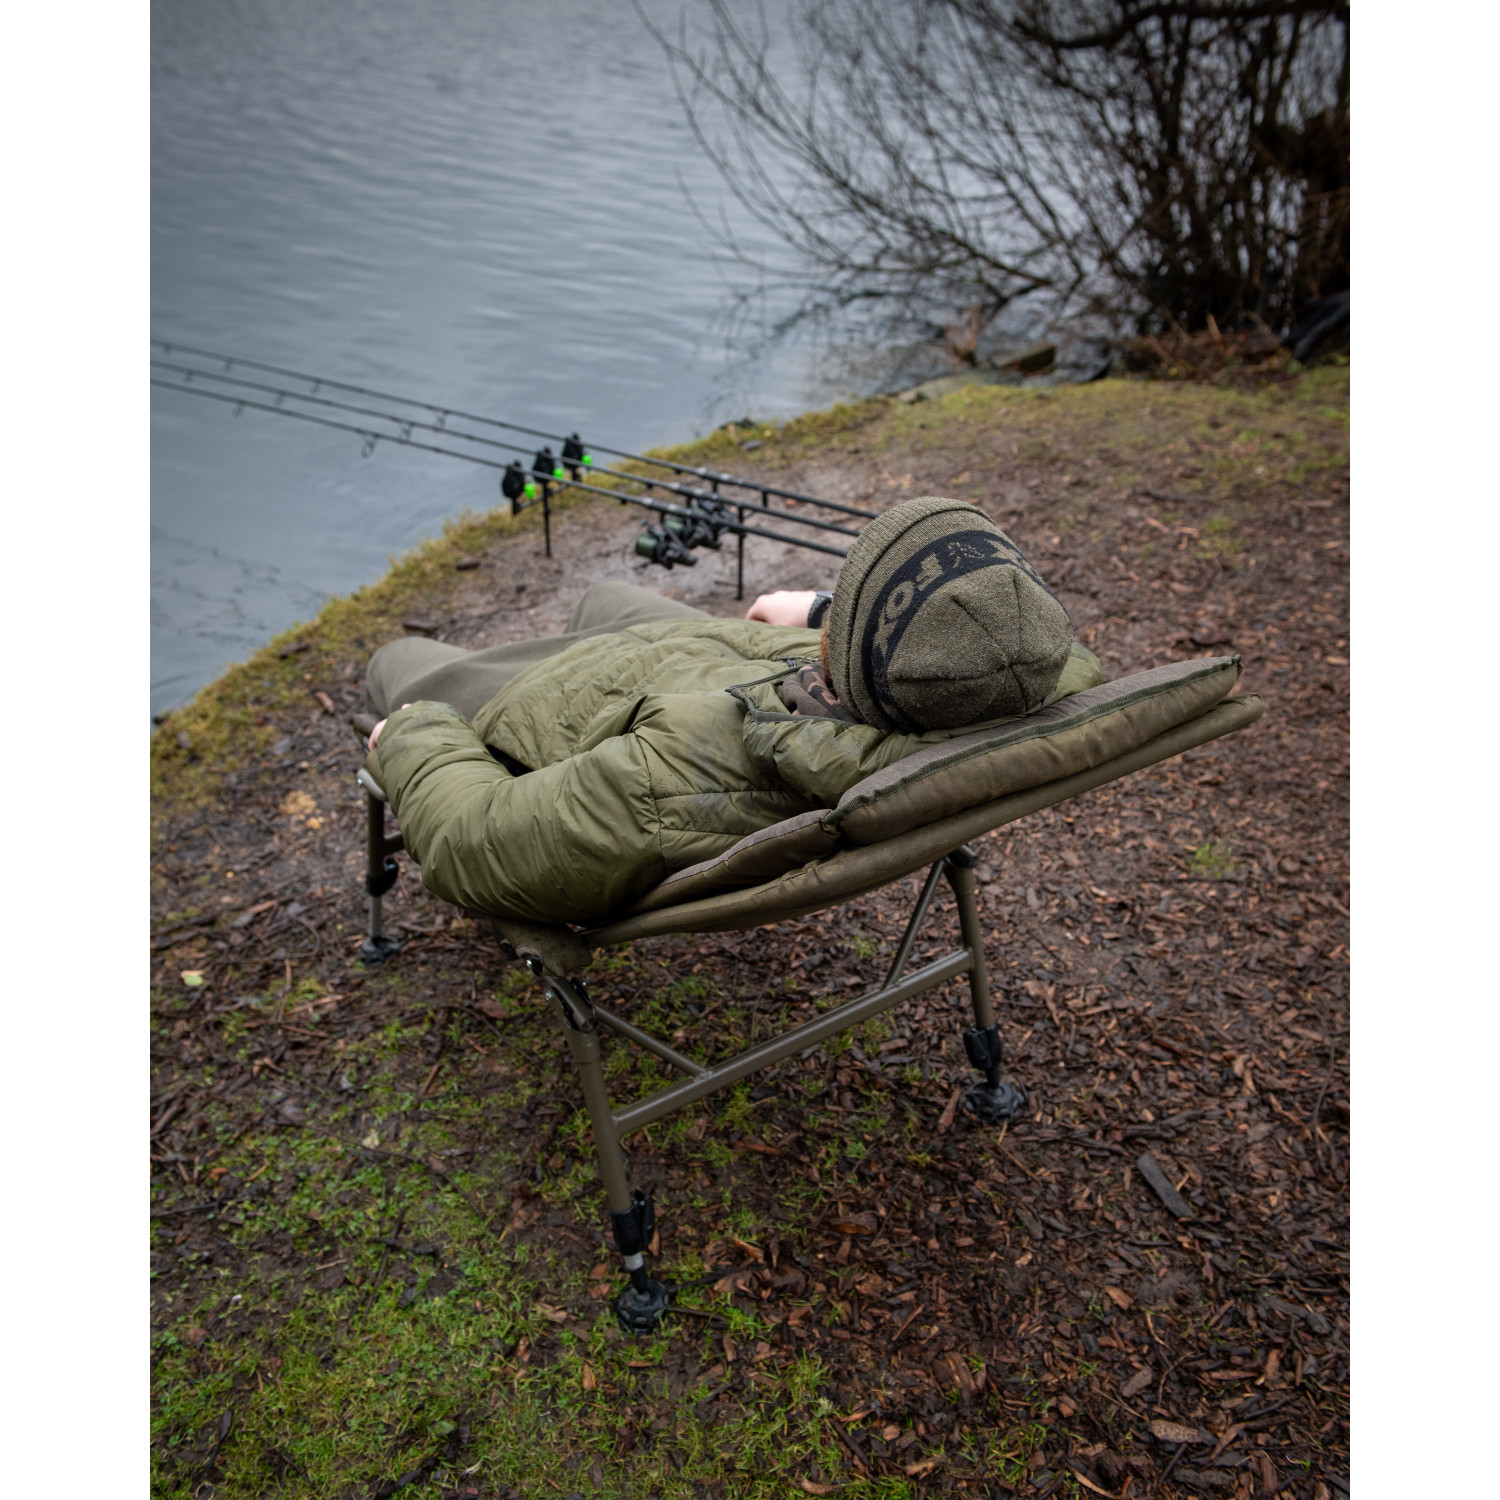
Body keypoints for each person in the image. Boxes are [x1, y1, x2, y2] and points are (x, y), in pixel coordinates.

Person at [364, 496, 1102, 924]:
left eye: (850, 599)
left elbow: (472, 840)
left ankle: (412, 695)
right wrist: (824, 612)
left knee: (396, 662)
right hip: (709, 671)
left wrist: (416, 737)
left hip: (555, 711)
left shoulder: (661, 788)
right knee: (605, 596)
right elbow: (1017, 639)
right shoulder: (1026, 673)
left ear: (855, 663)